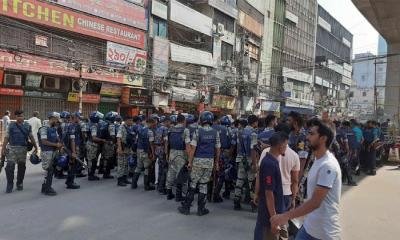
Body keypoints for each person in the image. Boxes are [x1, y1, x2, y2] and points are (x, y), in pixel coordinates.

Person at [271, 119, 342, 240]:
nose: (307, 137)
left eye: (312, 134)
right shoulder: (318, 160)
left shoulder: (328, 165)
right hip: (309, 228)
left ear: (323, 138)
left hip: (324, 233)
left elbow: (315, 202)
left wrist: (285, 216)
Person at [178, 111, 221, 216]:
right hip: (209, 161)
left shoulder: (198, 132)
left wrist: (190, 162)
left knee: (193, 183)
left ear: (202, 120)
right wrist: (216, 163)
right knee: (203, 185)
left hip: (198, 161)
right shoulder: (216, 132)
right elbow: (218, 149)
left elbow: (193, 149)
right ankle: (201, 209)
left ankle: (186, 208)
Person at [254, 132, 288, 240]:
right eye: (286, 145)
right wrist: (274, 218)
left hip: (276, 212)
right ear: (280, 146)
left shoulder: (272, 161)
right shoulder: (270, 164)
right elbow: (269, 193)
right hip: (271, 214)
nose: (286, 148)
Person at [1, 110, 39, 193]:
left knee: (21, 167)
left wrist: (36, 147)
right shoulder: (11, 126)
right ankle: (10, 184)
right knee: (9, 167)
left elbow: (31, 137)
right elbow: (6, 137)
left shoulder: (27, 126)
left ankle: (19, 183)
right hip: (12, 148)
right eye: (18, 116)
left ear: (23, 116)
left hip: (23, 149)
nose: (20, 118)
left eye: (21, 116)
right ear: (16, 117)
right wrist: (3, 148)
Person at [233, 115, 258, 211]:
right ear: (255, 122)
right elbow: (253, 149)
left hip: (241, 158)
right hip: (250, 159)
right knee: (251, 182)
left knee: (239, 180)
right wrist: (254, 163)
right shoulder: (254, 133)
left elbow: (238, 146)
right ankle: (253, 203)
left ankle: (236, 202)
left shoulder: (240, 132)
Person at [166, 114, 190, 201]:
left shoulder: (170, 129)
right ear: (184, 121)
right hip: (181, 154)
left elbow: (167, 143)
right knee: (180, 174)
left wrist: (167, 154)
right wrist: (189, 158)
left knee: (171, 173)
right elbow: (187, 145)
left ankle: (169, 193)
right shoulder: (185, 130)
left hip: (172, 152)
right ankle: (178, 196)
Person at [39, 112, 63, 196]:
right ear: (52, 118)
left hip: (53, 151)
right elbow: (44, 141)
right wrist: (56, 145)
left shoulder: (53, 128)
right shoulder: (44, 128)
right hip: (46, 152)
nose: (57, 122)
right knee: (49, 170)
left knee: (50, 170)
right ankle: (47, 188)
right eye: (57, 120)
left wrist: (59, 143)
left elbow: (57, 138)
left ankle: (44, 187)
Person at [212, 115, 233, 203]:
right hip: (223, 153)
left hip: (211, 153)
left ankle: (209, 194)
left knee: (211, 174)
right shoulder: (227, 130)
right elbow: (230, 143)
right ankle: (216, 194)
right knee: (222, 174)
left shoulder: (211, 128)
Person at [132, 117, 156, 191]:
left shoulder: (140, 129)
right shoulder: (150, 132)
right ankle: (146, 186)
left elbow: (136, 140)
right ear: (150, 123)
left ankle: (134, 184)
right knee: (147, 168)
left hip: (139, 150)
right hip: (146, 151)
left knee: (138, 167)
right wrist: (152, 153)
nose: (153, 125)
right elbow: (151, 144)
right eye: (153, 124)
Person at [86, 111, 106, 181]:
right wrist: (102, 140)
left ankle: (91, 174)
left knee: (92, 160)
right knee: (92, 160)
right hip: (92, 145)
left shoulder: (90, 124)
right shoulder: (94, 126)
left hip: (90, 144)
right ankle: (91, 175)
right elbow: (94, 138)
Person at [64, 112, 82, 189]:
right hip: (72, 149)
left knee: (72, 165)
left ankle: (69, 180)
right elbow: (72, 140)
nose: (79, 119)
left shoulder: (70, 126)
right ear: (75, 118)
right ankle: (70, 182)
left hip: (70, 148)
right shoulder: (72, 127)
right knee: (73, 165)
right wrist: (74, 152)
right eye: (78, 117)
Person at [117, 115, 136, 187]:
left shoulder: (129, 127)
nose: (131, 122)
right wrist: (119, 149)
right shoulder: (121, 127)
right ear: (126, 120)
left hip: (128, 149)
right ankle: (120, 180)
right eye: (130, 120)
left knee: (126, 164)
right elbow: (118, 138)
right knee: (121, 164)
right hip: (122, 148)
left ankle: (125, 178)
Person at [101, 111, 119, 179]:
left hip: (106, 143)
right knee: (108, 159)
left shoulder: (105, 123)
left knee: (106, 158)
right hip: (109, 144)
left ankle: (105, 172)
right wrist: (116, 141)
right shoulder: (111, 125)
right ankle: (106, 174)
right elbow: (112, 136)